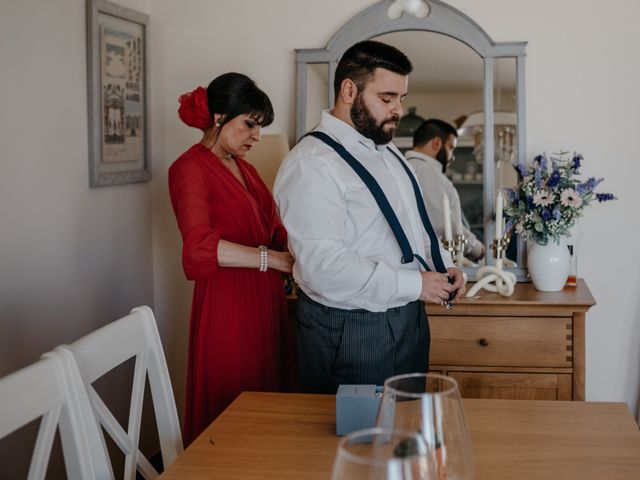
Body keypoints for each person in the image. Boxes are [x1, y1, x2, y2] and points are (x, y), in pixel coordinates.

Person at [274, 41, 465, 394]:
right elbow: (323, 267)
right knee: (351, 443)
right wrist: (416, 285)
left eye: (401, 98)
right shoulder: (312, 164)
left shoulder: (389, 152)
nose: (398, 110)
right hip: (351, 331)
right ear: (349, 90)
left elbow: (412, 226)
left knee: (403, 434)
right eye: (387, 98)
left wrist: (444, 265)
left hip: (408, 319)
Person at [169, 72, 294, 445]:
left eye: (260, 127)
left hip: (265, 302)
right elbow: (198, 247)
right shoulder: (188, 169)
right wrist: (272, 260)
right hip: (228, 306)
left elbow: (275, 228)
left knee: (268, 405)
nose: (257, 135)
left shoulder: (247, 169)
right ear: (219, 117)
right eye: (250, 125)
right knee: (234, 412)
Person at [405, 119, 485, 262]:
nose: (452, 156)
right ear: (436, 143)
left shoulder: (405, 167)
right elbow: (443, 222)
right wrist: (477, 249)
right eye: (451, 148)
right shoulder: (427, 171)